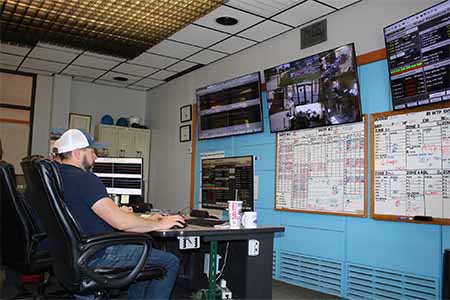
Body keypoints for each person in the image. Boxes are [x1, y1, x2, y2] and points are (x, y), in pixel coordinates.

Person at [53, 129, 185, 300]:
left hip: (71, 255)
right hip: (98, 254)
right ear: (78, 153)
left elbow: (85, 213)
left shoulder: (55, 178)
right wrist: (159, 224)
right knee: (169, 262)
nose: (96, 157)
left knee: (144, 260)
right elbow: (121, 223)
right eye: (92, 152)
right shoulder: (85, 179)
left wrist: (138, 218)